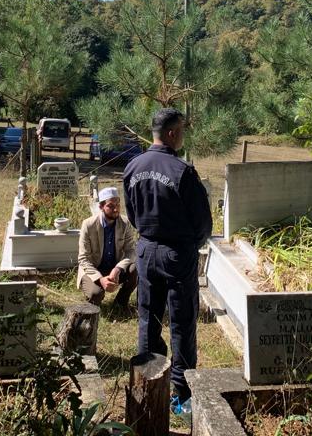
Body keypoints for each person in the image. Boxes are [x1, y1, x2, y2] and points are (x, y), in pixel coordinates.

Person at [122, 108, 211, 415]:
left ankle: (149, 383)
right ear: (172, 134)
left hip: (146, 249)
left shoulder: (133, 166)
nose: (182, 136)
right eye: (182, 131)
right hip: (177, 253)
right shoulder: (182, 171)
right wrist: (189, 245)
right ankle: (182, 392)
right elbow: (202, 223)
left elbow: (132, 214)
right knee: (182, 320)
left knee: (148, 317)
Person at [77, 187, 137, 310]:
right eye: (110, 206)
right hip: (93, 269)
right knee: (96, 294)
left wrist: (118, 269)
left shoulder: (125, 222)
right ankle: (93, 304)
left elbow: (131, 250)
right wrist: (101, 279)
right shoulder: (89, 225)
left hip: (115, 267)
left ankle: (120, 304)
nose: (116, 209)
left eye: (118, 205)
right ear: (101, 207)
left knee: (135, 269)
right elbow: (83, 259)